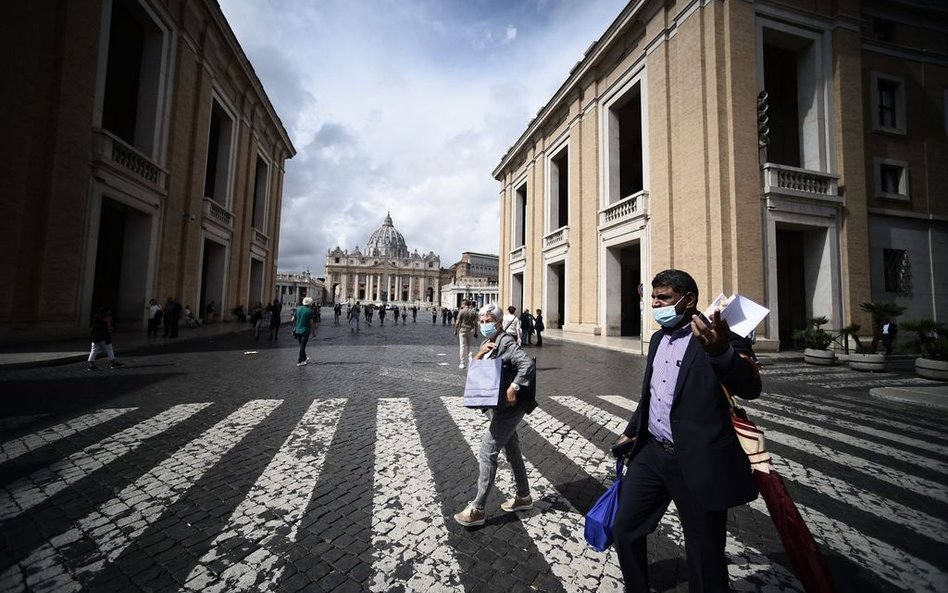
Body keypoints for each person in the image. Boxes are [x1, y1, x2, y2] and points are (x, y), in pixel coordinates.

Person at [611, 269, 761, 593]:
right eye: (652, 298)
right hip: (652, 455)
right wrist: (631, 431)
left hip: (698, 459)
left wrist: (721, 353)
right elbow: (650, 395)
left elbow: (750, 386)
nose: (655, 304)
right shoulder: (656, 339)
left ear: (688, 300)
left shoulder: (721, 336)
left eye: (662, 298)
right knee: (624, 528)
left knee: (705, 554)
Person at [454, 303, 537, 527]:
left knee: (487, 451)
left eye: (488, 321)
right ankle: (524, 496)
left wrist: (515, 387)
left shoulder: (506, 341)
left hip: (510, 406)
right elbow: (478, 372)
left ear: (499, 323)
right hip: (497, 405)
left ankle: (478, 509)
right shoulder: (485, 343)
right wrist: (479, 354)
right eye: (482, 321)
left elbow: (527, 364)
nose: (484, 325)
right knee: (512, 449)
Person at [454, 299, 479, 369]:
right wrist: (476, 332)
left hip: (462, 330)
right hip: (471, 330)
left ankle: (462, 363)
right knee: (469, 346)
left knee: (462, 346)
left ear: (464, 304)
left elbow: (457, 322)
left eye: (462, 304)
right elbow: (476, 323)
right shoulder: (474, 312)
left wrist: (455, 330)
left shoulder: (461, 311)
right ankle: (470, 360)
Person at [294, 297, 317, 366]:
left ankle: (304, 358)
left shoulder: (297, 309)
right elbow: (311, 323)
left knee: (301, 345)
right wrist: (313, 332)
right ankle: (299, 361)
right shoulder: (309, 311)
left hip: (297, 330)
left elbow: (292, 319)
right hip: (305, 331)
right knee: (302, 346)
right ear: (309, 304)